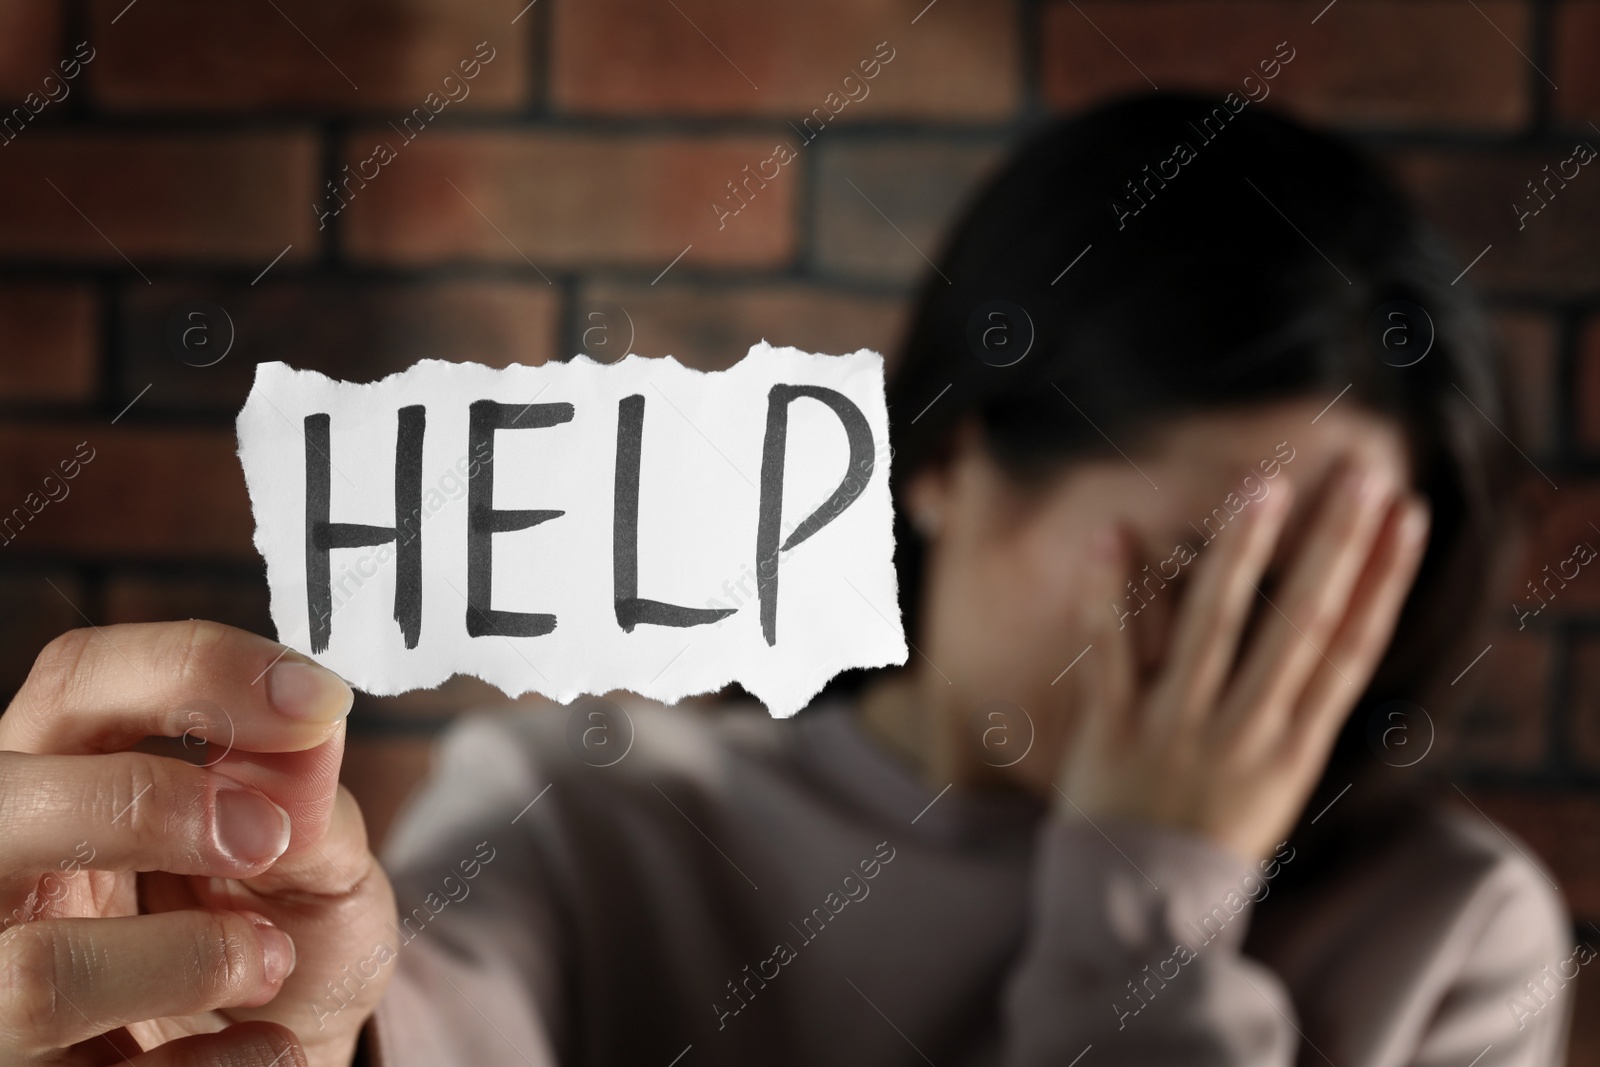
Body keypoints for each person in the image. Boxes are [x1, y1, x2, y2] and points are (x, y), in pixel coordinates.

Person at [0, 94, 1573, 1067]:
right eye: (1197, 579)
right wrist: (280, 1010)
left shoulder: (1448, 933)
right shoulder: (597, 806)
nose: (1257, 675)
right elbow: (431, 1014)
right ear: (949, 461)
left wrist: (1149, 904)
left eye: (1329, 607)